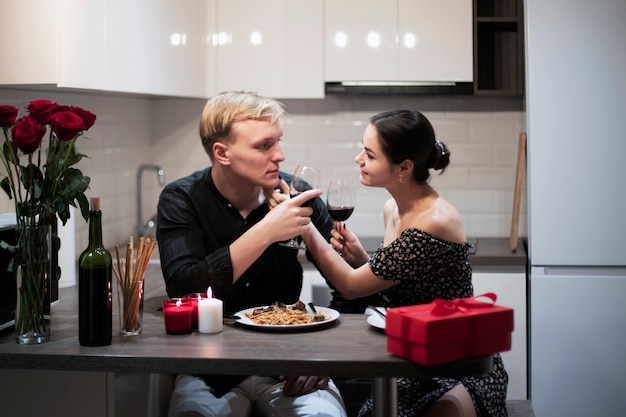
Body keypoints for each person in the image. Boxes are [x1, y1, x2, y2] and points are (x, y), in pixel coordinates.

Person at [292, 109, 509, 417]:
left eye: (369, 154)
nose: (358, 159)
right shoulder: (392, 208)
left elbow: (352, 287)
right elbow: (403, 286)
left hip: (458, 361)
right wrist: (361, 259)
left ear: (404, 167)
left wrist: (304, 226)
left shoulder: (433, 220)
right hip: (413, 357)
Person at [156, 91, 347, 417]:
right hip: (211, 368)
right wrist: (266, 230)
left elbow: (347, 286)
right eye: (264, 146)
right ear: (222, 152)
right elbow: (184, 285)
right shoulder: (181, 198)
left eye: (278, 142)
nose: (280, 155)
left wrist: (323, 355)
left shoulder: (296, 193)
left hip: (290, 364)